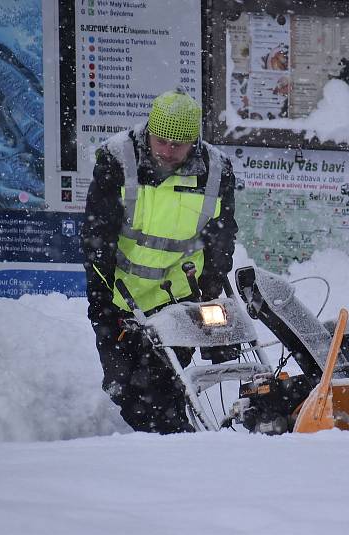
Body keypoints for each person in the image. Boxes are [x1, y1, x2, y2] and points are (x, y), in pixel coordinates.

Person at [81, 90, 238, 434]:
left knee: (163, 388)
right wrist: (101, 295)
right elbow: (98, 235)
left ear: (194, 141)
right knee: (125, 387)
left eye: (178, 144)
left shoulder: (215, 171)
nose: (168, 151)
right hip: (122, 298)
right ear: (149, 131)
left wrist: (210, 286)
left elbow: (221, 236)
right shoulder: (117, 160)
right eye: (162, 141)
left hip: (179, 297)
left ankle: (176, 448)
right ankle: (166, 448)